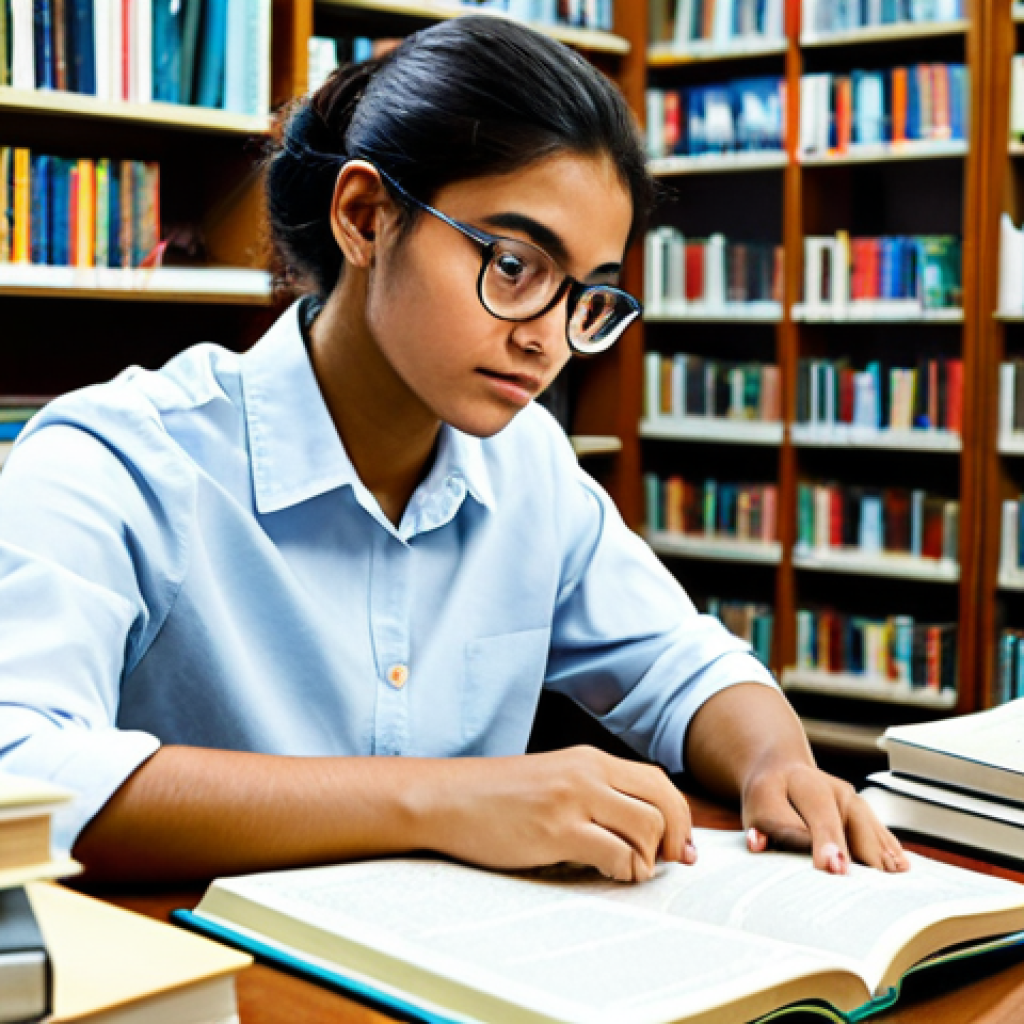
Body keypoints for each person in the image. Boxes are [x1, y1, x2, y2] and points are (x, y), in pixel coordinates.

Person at [0, 16, 907, 883]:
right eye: (515, 265)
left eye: (588, 296)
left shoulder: (531, 470)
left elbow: (683, 667)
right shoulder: (117, 458)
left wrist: (776, 763)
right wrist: (447, 801)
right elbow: (21, 773)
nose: (549, 339)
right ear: (364, 217)